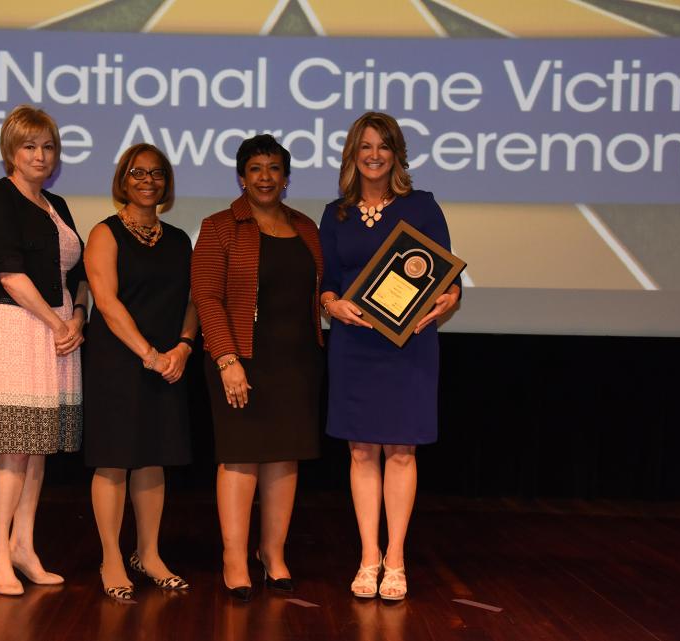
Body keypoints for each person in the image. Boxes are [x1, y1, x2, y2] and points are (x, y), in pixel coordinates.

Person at [319, 112, 461, 601]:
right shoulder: (335, 214)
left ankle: (396, 561)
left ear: (396, 154)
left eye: (384, 146)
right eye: (365, 147)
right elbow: (328, 282)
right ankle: (368, 558)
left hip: (410, 345)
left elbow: (445, 274)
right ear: (352, 155)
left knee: (402, 450)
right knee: (361, 451)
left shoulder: (421, 207)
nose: (374, 155)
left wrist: (451, 296)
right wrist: (330, 303)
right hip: (355, 344)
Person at [0, 105, 88, 596]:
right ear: (11, 151)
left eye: (48, 146)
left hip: (54, 331)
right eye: (30, 146)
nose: (40, 155)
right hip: (15, 328)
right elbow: (8, 273)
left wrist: (76, 318)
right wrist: (57, 321)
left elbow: (77, 275)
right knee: (14, 446)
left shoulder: (58, 204)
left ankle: (23, 546)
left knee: (38, 446)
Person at [192, 134, 324, 601]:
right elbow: (207, 298)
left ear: (286, 178)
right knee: (240, 455)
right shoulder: (220, 226)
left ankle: (273, 554)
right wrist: (227, 359)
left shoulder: (307, 227)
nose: (265, 177)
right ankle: (234, 558)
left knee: (284, 456)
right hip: (241, 358)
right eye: (255, 169)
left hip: (297, 361)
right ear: (241, 177)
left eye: (274, 168)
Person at [83, 143, 197, 600]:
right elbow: (106, 304)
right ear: (123, 180)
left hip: (168, 362)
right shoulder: (104, 233)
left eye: (156, 174)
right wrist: (149, 354)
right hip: (120, 362)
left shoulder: (178, 239)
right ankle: (111, 558)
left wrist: (184, 349)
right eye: (138, 173)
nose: (148, 181)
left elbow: (193, 300)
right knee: (114, 458)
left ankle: (147, 555)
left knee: (154, 456)